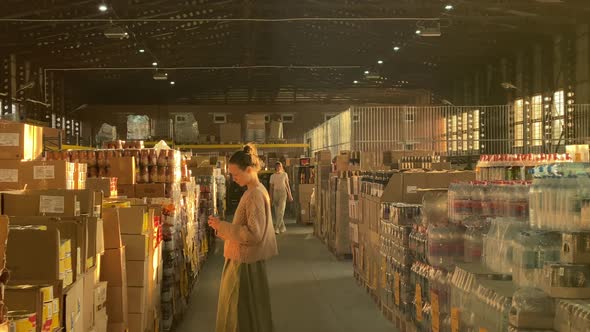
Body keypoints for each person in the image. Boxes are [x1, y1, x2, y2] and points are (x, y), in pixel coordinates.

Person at [208, 144, 278, 332]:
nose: (233, 178)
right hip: (247, 259)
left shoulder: (254, 194)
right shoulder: (257, 190)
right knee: (250, 311)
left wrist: (221, 227)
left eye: (235, 174)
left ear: (249, 170)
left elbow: (254, 234)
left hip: (244, 262)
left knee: (237, 311)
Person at [269, 161, 293, 234]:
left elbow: (287, 185)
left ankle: (276, 228)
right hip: (275, 193)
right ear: (275, 168)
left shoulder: (285, 175)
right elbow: (271, 188)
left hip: (283, 193)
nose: (278, 168)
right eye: (277, 166)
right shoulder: (272, 176)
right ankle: (282, 227)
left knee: (281, 211)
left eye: (279, 166)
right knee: (277, 212)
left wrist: (290, 195)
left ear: (281, 167)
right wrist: (270, 197)